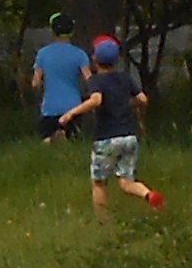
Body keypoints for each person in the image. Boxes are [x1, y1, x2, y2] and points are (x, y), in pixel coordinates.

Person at [60, 34, 167, 217]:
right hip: (129, 137)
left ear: (94, 58)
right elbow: (142, 99)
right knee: (126, 182)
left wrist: (71, 113)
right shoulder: (125, 78)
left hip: (106, 138)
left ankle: (103, 222)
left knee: (99, 182)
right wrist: (128, 104)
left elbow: (96, 100)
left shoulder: (95, 81)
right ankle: (148, 194)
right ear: (117, 59)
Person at [30, 12, 87, 144]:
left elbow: (35, 83)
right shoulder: (80, 54)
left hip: (50, 107)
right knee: (73, 142)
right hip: (73, 107)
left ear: (53, 32)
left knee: (46, 142)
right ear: (72, 32)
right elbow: (88, 79)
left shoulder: (43, 54)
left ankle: (51, 141)